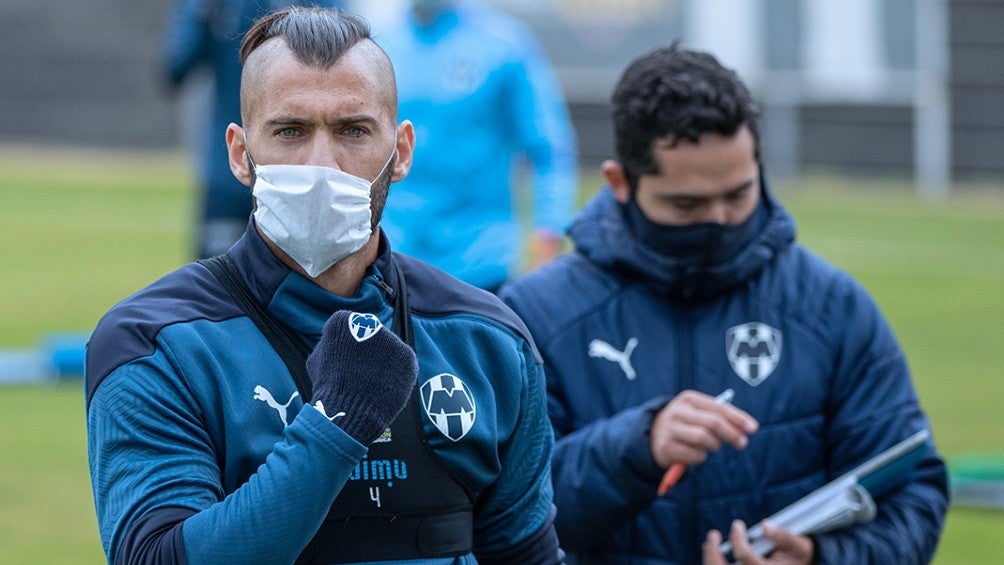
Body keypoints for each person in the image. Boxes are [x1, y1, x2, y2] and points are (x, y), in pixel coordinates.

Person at [87, 7, 562, 564]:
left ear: (401, 152)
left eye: (352, 130)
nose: (322, 165)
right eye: (290, 131)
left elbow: (526, 556)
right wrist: (335, 422)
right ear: (241, 154)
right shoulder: (156, 342)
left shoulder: (487, 339)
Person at [499, 44, 949, 564]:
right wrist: (635, 448)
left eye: (739, 195)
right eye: (687, 204)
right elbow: (500, 512)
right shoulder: (534, 317)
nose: (720, 222)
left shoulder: (832, 306)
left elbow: (914, 495)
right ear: (619, 183)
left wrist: (820, 559)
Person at [375, 0, 579, 292]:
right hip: (392, 257)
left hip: (479, 262)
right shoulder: (379, 43)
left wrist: (549, 232)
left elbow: (548, 150)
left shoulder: (505, 45)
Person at [161, 0, 341, 259]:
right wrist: (202, 15)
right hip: (227, 172)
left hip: (298, 173)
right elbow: (175, 67)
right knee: (218, 284)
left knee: (301, 282)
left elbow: (345, 58)